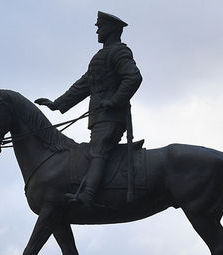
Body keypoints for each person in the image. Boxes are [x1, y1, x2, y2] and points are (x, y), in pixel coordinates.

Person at [36, 11, 143, 206]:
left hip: (111, 116)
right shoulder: (101, 56)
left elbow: (134, 77)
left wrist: (115, 100)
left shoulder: (119, 51)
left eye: (100, 27)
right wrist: (58, 103)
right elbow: (84, 85)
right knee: (96, 150)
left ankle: (89, 195)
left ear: (110, 29)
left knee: (98, 151)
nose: (97, 32)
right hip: (99, 116)